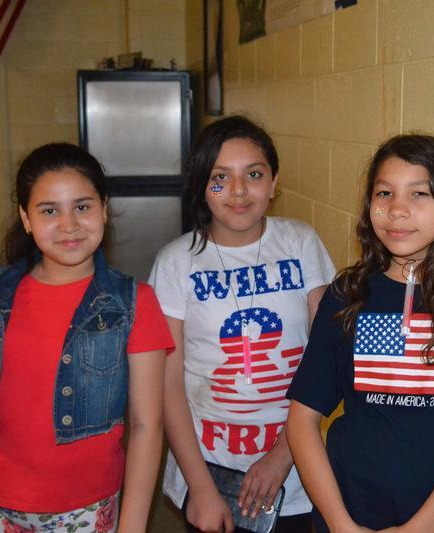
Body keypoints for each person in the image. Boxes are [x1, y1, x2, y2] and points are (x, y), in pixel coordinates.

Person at [286, 135, 434, 532]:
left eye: (419, 194)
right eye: (384, 193)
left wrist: (418, 529)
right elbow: (301, 420)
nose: (397, 209)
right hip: (350, 515)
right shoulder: (347, 294)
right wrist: (339, 523)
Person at [0, 143, 173, 533]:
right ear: (26, 219)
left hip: (86, 509)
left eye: (82, 207)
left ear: (104, 209)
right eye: (49, 211)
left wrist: (132, 525)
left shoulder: (133, 303)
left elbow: (147, 425)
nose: (68, 225)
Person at [149, 115, 336, 532]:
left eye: (253, 174)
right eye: (220, 178)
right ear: (203, 186)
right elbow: (168, 384)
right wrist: (200, 488)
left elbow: (327, 360)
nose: (238, 191)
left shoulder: (301, 242)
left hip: (295, 470)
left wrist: (282, 456)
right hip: (207, 469)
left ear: (273, 183)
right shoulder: (176, 262)